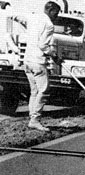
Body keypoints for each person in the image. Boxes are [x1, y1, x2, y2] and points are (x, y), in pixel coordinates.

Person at [14, 1, 61, 131]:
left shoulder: (33, 17)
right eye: (56, 13)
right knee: (44, 90)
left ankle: (32, 118)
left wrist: (7, 6)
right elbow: (43, 45)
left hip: (27, 61)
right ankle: (35, 119)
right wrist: (55, 56)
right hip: (38, 62)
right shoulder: (49, 25)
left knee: (34, 91)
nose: (56, 17)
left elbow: (18, 17)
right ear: (50, 11)